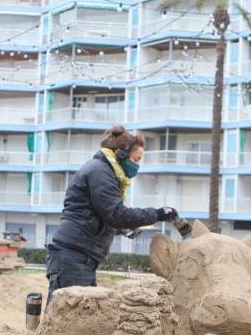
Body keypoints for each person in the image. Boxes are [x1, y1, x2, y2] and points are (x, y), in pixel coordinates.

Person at [46, 125, 178, 301]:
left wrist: (120, 228)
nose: (136, 166)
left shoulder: (103, 171)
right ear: (121, 154)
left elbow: (97, 216)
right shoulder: (100, 171)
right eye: (136, 160)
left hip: (79, 256)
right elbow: (116, 214)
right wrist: (158, 213)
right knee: (70, 321)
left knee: (79, 318)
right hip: (74, 258)